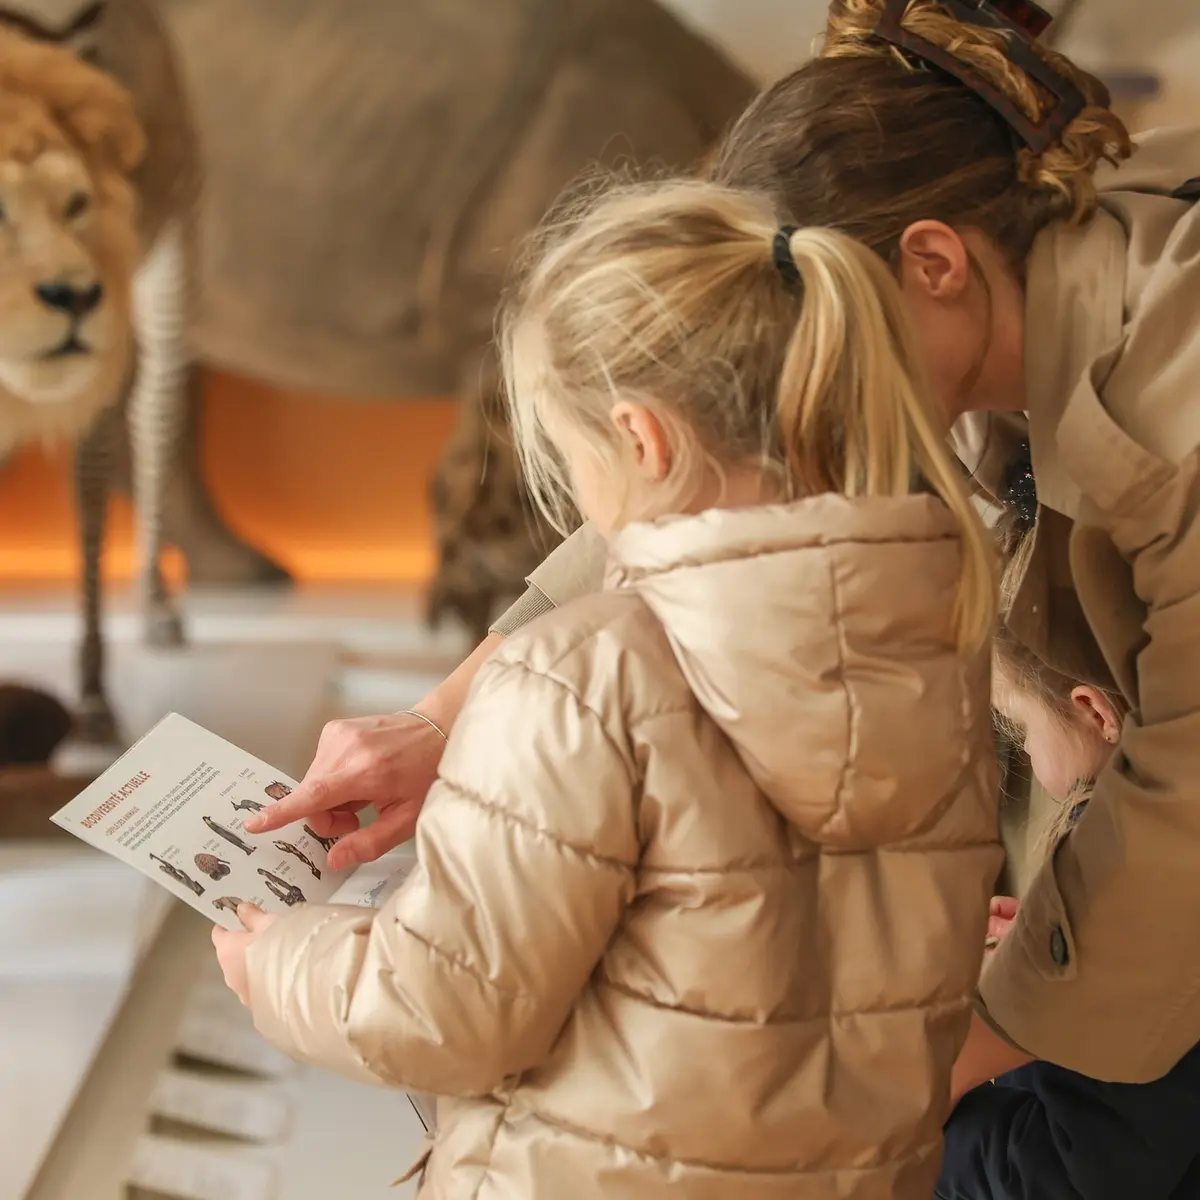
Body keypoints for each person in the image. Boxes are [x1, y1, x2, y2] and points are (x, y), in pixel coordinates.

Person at [250, 0, 1200, 1097]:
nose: (798, 398)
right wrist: (434, 722)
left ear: (932, 263)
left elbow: (1183, 803)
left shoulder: (1170, 402)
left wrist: (912, 1081)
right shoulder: (964, 320)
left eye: (821, 337)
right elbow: (704, 501)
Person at [216, 179, 1001, 1197]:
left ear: (641, 440)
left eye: (568, 452)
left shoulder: (577, 677)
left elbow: (444, 1013)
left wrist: (279, 959)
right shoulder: (941, 634)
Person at [937, 521, 1200, 1199]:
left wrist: (940, 1132)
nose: (1026, 755)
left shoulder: (1122, 890)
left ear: (1093, 710)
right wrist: (1039, 956)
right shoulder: (1156, 846)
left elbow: (1075, 1178)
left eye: (1020, 728)